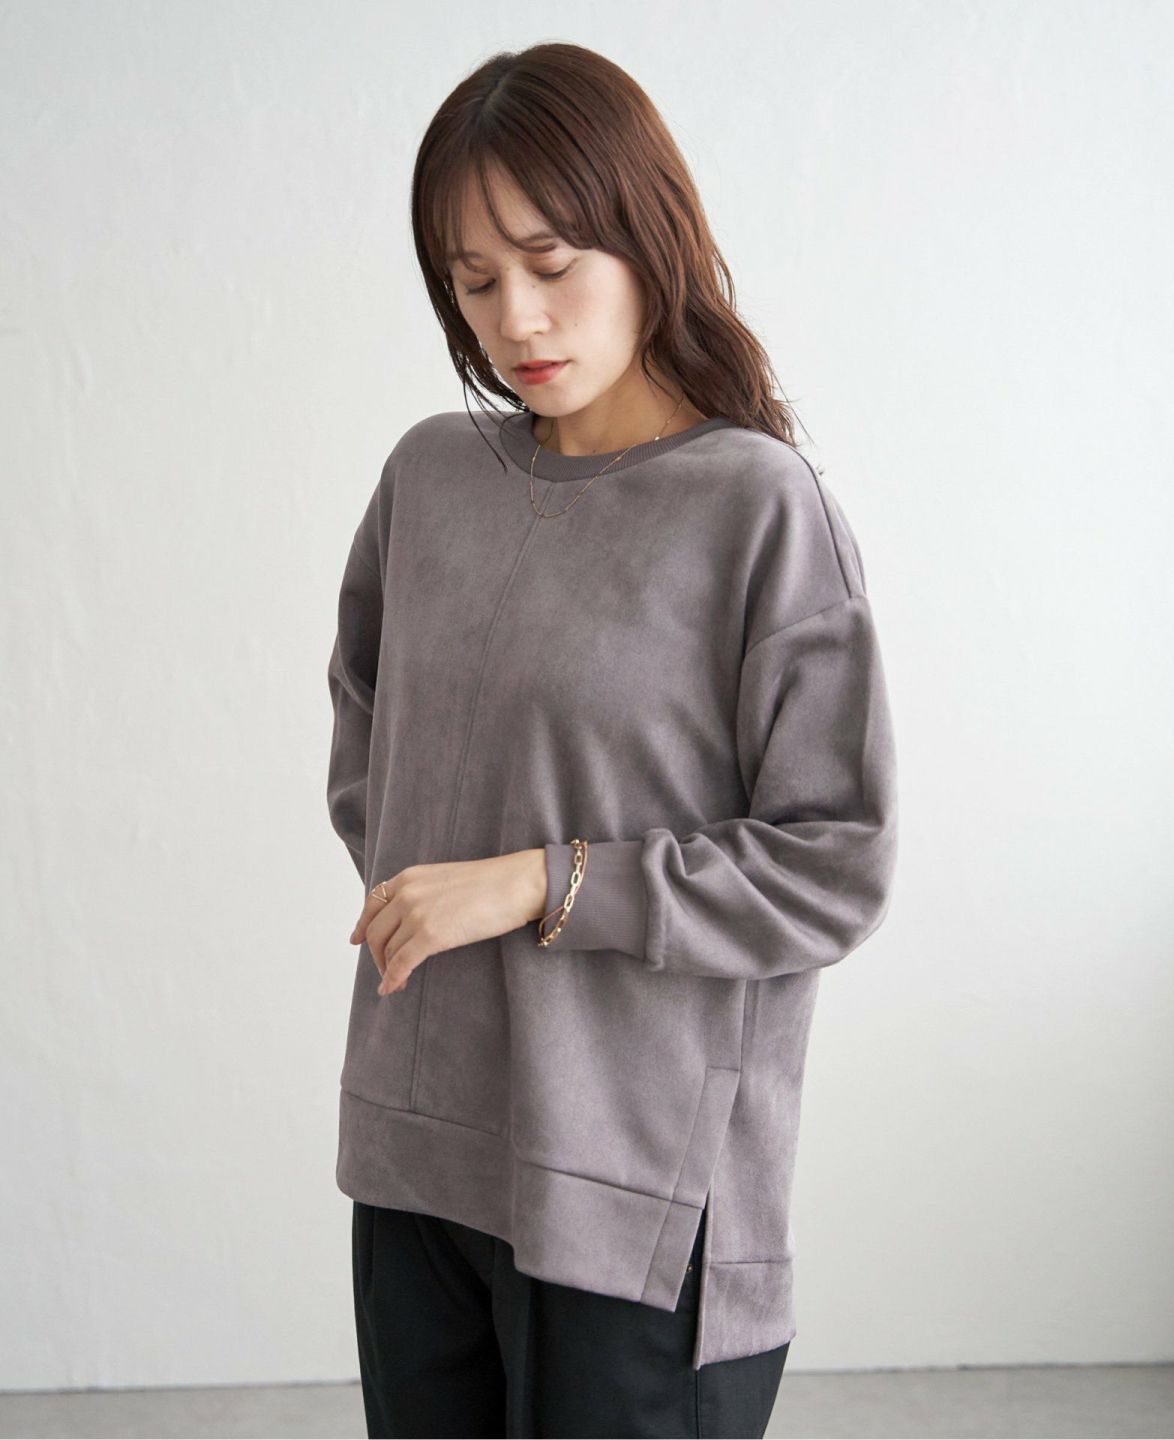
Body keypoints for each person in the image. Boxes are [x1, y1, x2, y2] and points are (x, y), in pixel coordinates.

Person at [326, 40, 899, 1440]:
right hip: (420, 1150)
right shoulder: (431, 478)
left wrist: (538, 882)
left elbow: (833, 864)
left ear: (649, 239)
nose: (516, 318)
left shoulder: (755, 509)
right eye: (473, 280)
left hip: (635, 1186)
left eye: (551, 261)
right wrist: (436, 882)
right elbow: (371, 749)